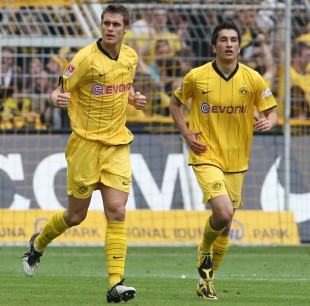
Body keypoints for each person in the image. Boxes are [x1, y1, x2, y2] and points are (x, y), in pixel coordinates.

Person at [21, 4, 147, 304]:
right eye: (106, 23)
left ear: (125, 29)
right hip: (85, 145)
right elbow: (57, 90)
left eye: (116, 24)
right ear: (101, 26)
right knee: (75, 215)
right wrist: (57, 99)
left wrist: (133, 98)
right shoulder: (84, 59)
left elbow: (122, 85)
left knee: (117, 210)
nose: (110, 28)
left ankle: (116, 283)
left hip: (117, 144)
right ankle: (38, 243)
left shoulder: (131, 56)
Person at [169, 20, 278, 301]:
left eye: (233, 40)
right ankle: (204, 247)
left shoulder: (253, 78)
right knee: (224, 213)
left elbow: (272, 111)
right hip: (206, 154)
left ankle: (207, 281)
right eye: (224, 40)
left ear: (240, 48)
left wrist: (269, 122)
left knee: (226, 224)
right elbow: (175, 103)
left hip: (237, 160)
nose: (229, 44)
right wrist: (186, 133)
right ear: (213, 46)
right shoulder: (196, 76)